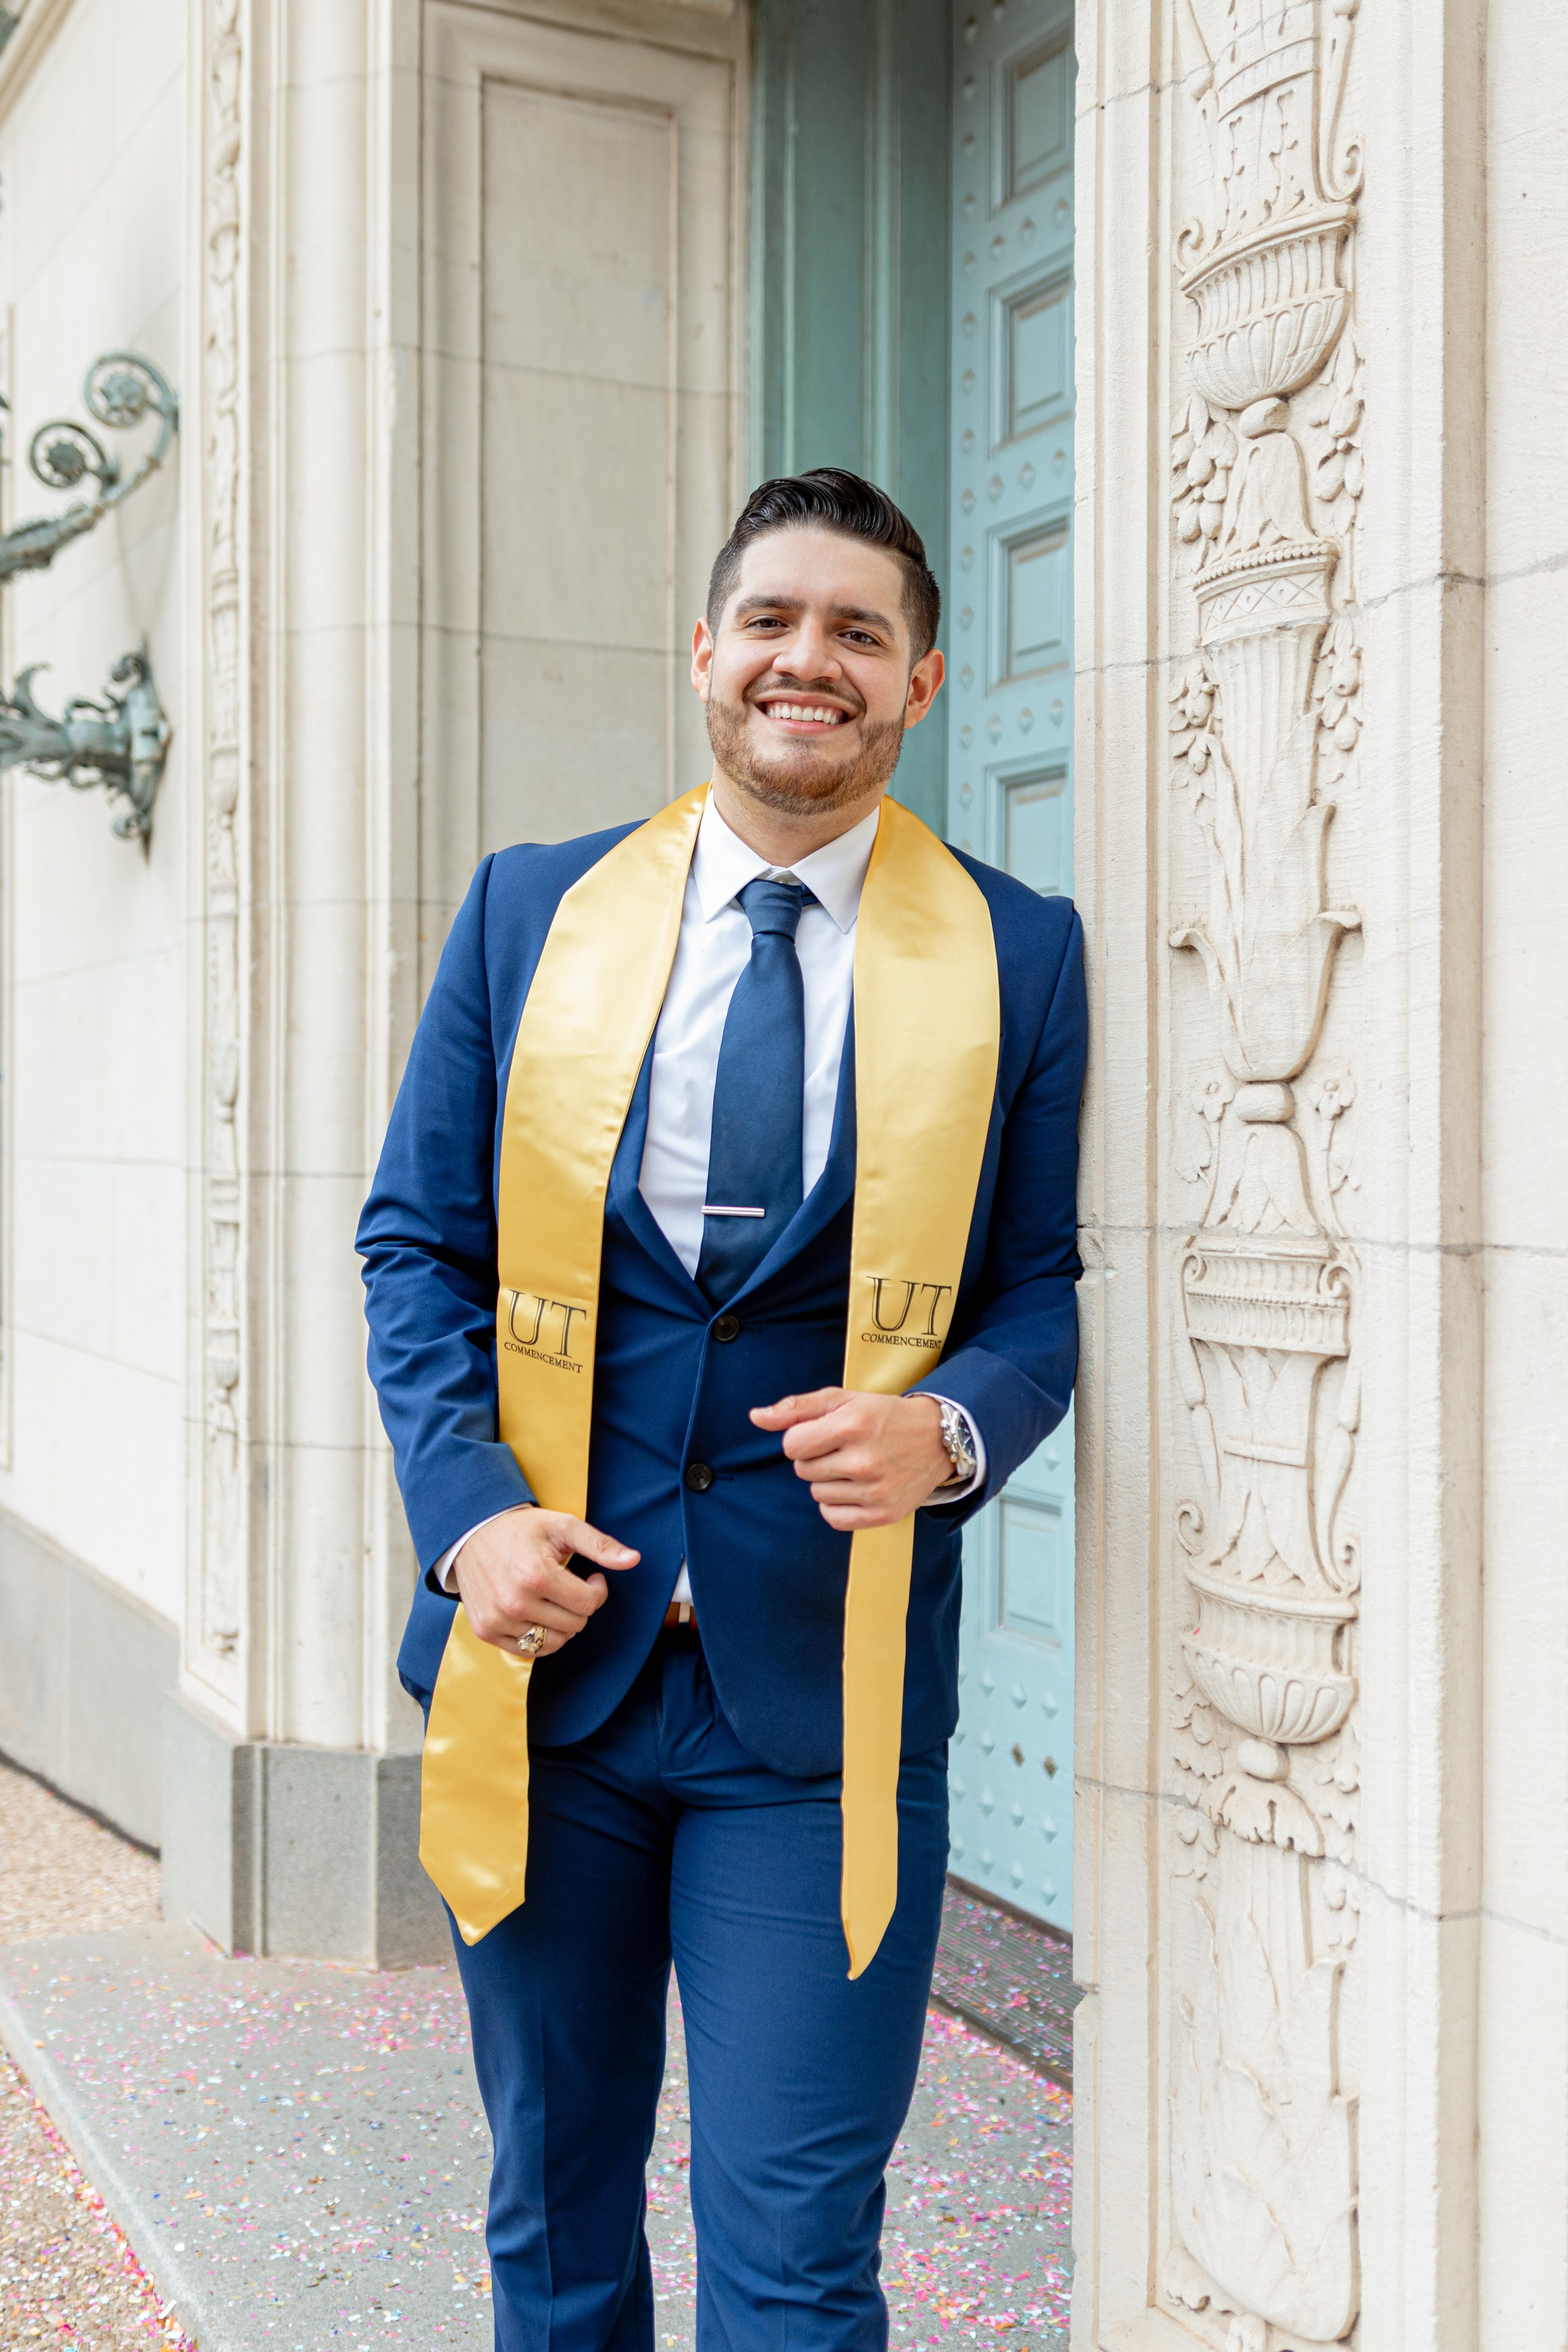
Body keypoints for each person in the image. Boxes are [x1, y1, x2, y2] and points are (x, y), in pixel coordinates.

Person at [357, 468, 1085, 2352]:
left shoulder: (1022, 951)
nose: (808, 661)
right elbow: (413, 1247)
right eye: (772, 619)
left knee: (793, 2253)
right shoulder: (533, 915)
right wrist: (466, 1511)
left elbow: (1039, 1292)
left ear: (921, 681)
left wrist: (958, 1434)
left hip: (817, 1708)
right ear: (703, 653)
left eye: (859, 631)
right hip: (551, 1672)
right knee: (557, 2223)